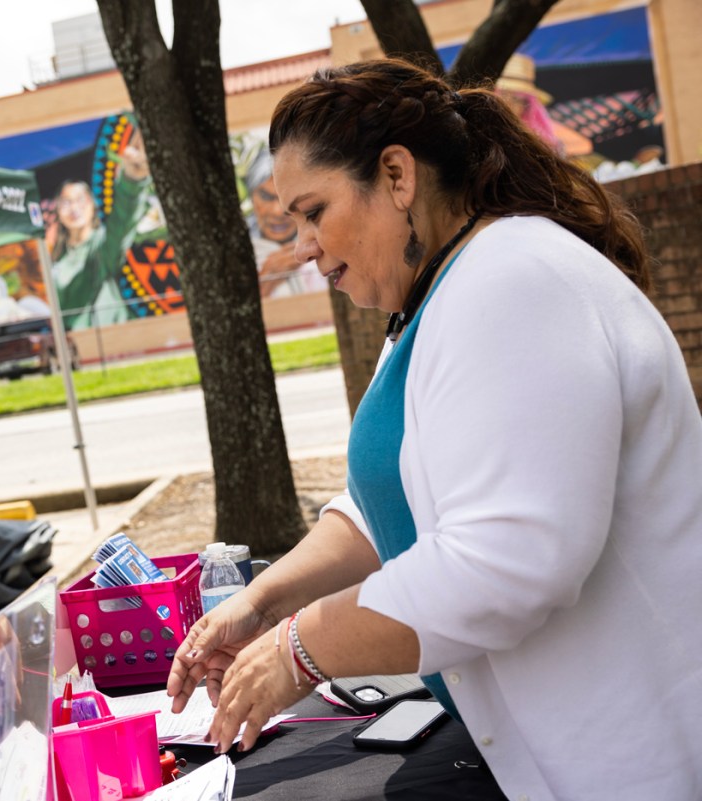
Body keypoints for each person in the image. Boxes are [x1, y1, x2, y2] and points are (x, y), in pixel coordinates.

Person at [167, 59, 702, 800]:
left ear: (396, 175)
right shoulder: (433, 300)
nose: (305, 248)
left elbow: (508, 558)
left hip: (629, 755)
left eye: (314, 212)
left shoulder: (512, 283)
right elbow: (388, 500)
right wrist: (262, 602)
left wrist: (300, 649)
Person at [48, 128, 152, 329]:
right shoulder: (53, 261)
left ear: (92, 205)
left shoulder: (102, 246)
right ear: (58, 211)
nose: (74, 208)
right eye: (66, 202)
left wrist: (133, 179)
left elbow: (123, 221)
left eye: (80, 200)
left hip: (114, 339)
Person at [243, 146, 326, 297]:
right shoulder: (239, 249)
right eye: (266, 197)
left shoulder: (326, 239)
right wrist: (267, 279)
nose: (278, 212)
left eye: (288, 199)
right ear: (252, 197)